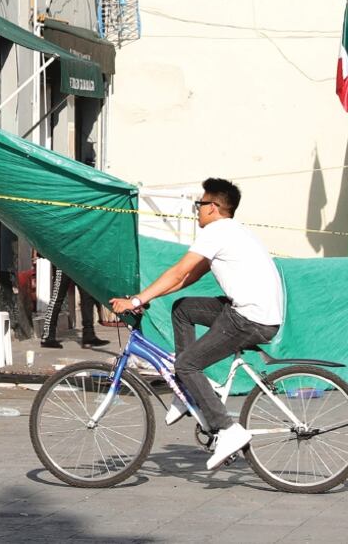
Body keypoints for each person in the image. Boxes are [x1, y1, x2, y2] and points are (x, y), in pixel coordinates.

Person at [110, 178, 284, 470]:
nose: (196, 211)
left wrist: (137, 301)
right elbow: (187, 278)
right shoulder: (233, 231)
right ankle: (189, 391)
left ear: (214, 208)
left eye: (200, 204)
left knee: (187, 363)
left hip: (249, 318)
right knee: (184, 309)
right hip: (256, 312)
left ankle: (227, 429)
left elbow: (179, 270)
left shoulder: (216, 232)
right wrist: (150, 295)